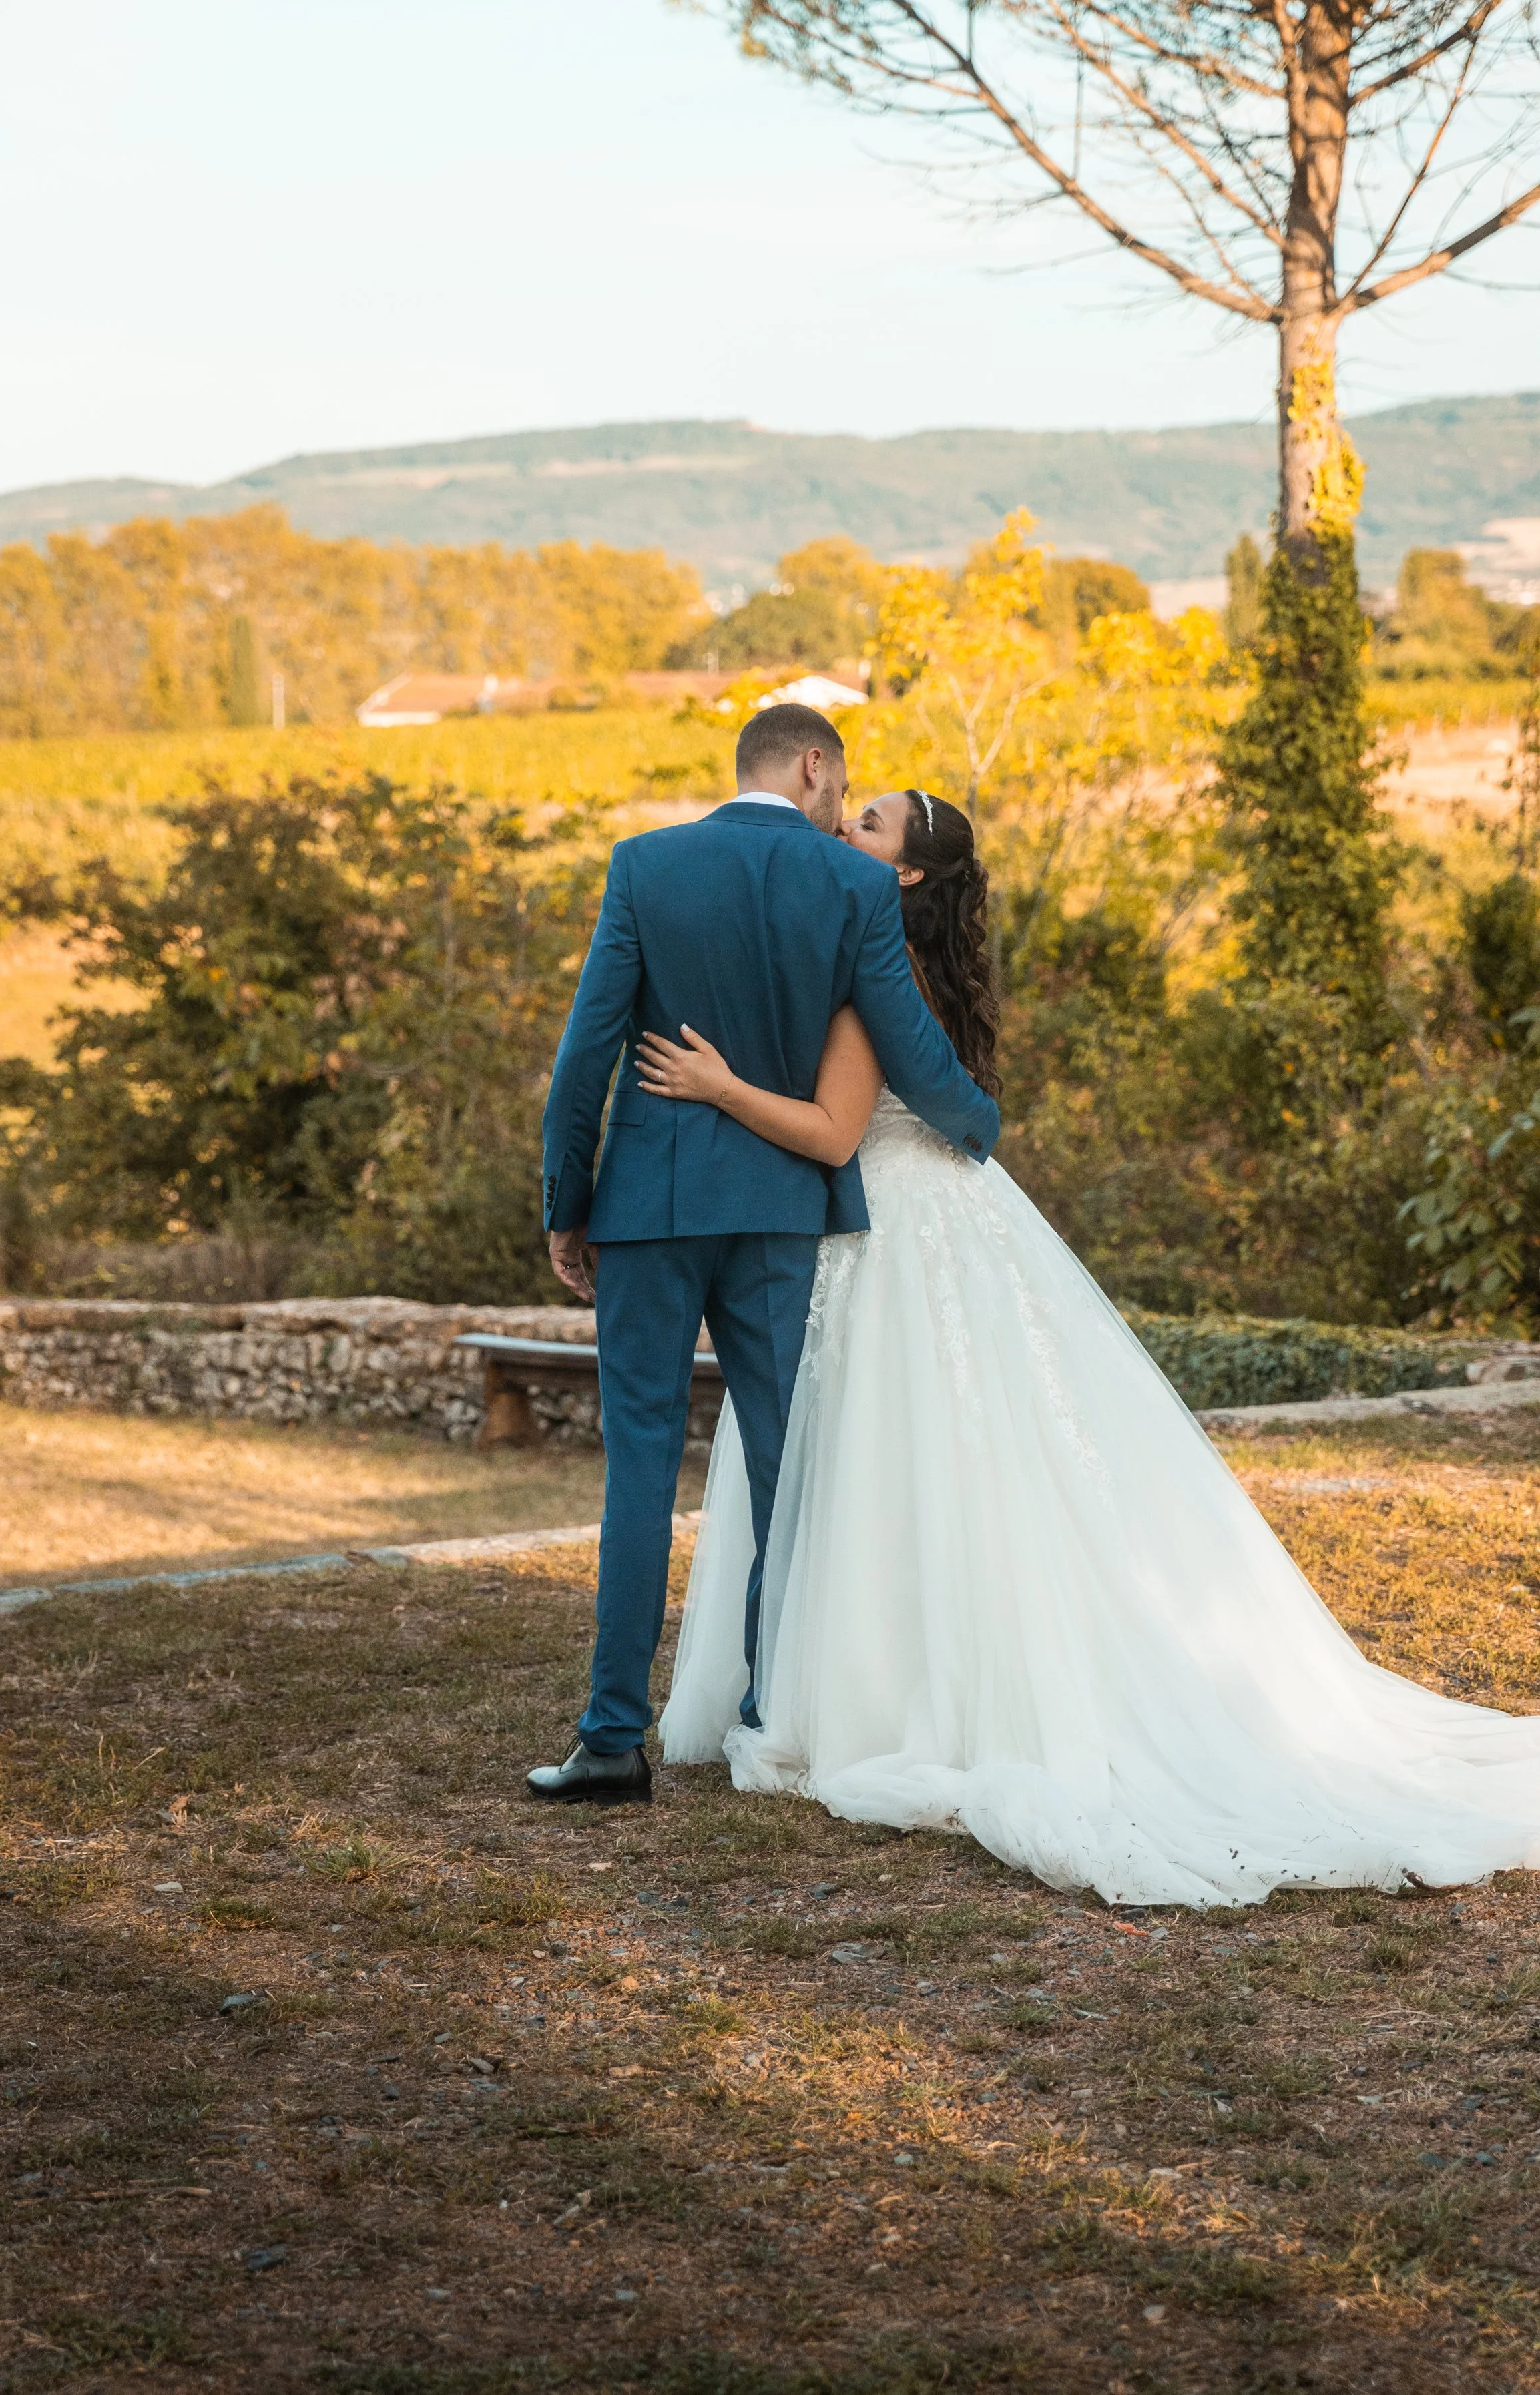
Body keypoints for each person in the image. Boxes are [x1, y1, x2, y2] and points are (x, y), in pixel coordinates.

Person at [649, 787, 1540, 1907]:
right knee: (940, 1457)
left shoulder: (876, 976)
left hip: (890, 1236)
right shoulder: (907, 962)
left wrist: (719, 1085)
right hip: (939, 1218)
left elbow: (837, 1130)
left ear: (908, 875)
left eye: (868, 824)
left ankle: (880, 1693)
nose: (845, 829)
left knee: (880, 1452)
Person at [526, 714, 1001, 1806]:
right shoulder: (854, 889)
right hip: (784, 1214)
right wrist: (977, 1123)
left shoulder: (646, 864)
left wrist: (569, 1201)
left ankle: (611, 1738)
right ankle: (766, 1715)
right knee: (787, 1475)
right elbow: (913, 1049)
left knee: (640, 1468)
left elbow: (587, 1048)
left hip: (647, 1207)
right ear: (813, 767)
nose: (846, 815)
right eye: (843, 793)